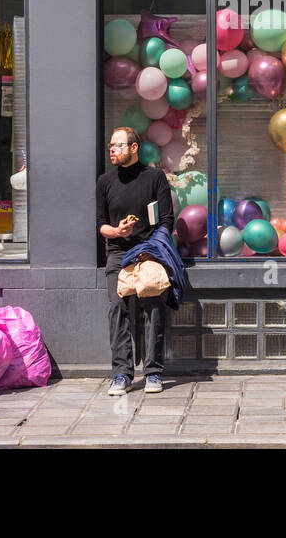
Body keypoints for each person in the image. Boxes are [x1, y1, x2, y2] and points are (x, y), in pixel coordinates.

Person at [96, 126, 176, 395]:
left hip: (147, 250)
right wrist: (117, 231)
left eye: (118, 145)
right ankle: (121, 374)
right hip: (118, 252)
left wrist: (151, 248)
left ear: (133, 148)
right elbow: (101, 226)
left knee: (152, 306)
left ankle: (153, 372)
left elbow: (166, 220)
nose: (112, 150)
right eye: (111, 145)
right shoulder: (105, 182)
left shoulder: (154, 178)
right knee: (117, 310)